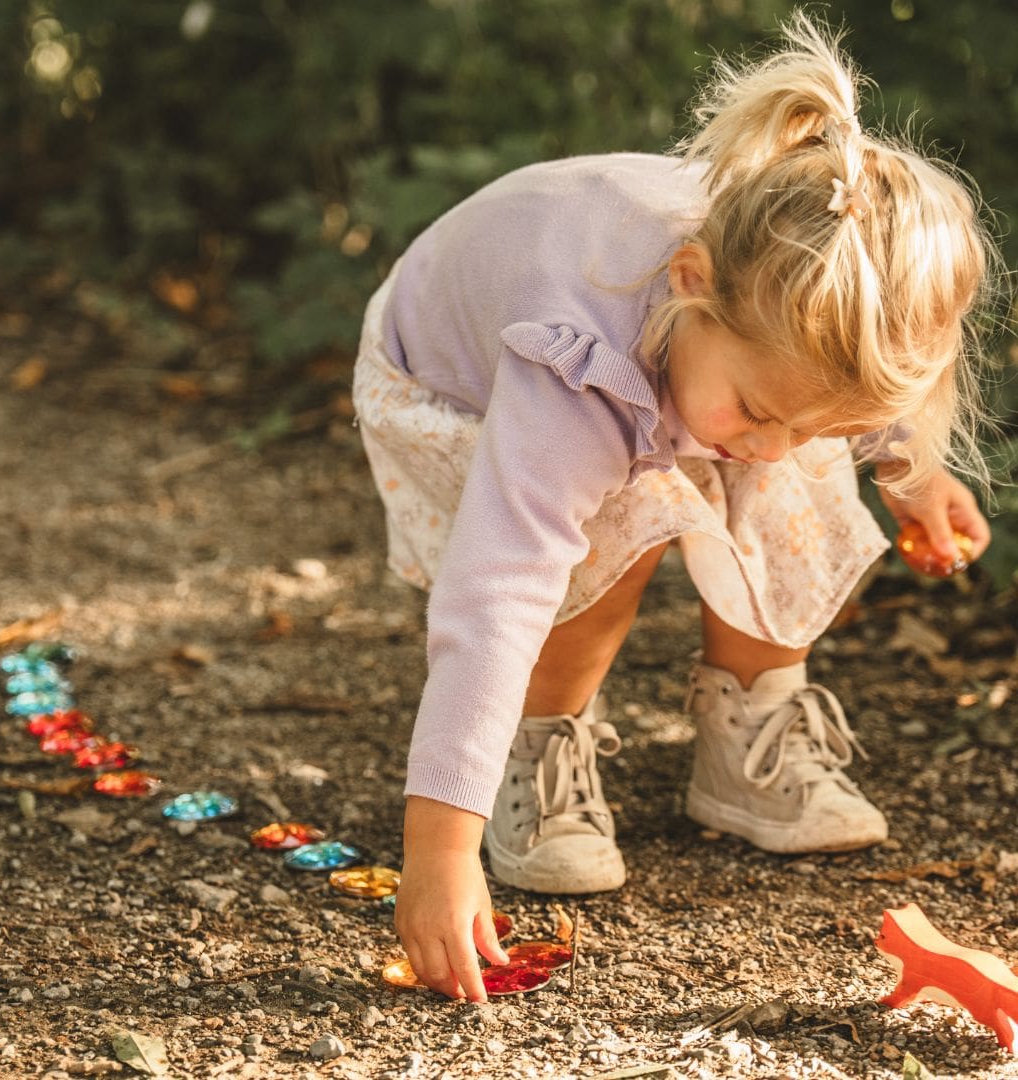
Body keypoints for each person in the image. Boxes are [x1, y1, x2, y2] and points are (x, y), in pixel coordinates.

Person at [351, 12, 999, 1003]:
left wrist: (906, 468)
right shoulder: (573, 365)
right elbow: (497, 592)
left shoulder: (780, 324)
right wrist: (441, 849)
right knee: (614, 524)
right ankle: (539, 748)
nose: (770, 443)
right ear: (692, 285)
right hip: (450, 376)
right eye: (758, 409)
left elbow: (823, 395)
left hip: (690, 360)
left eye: (818, 418)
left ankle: (751, 734)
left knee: (791, 474)